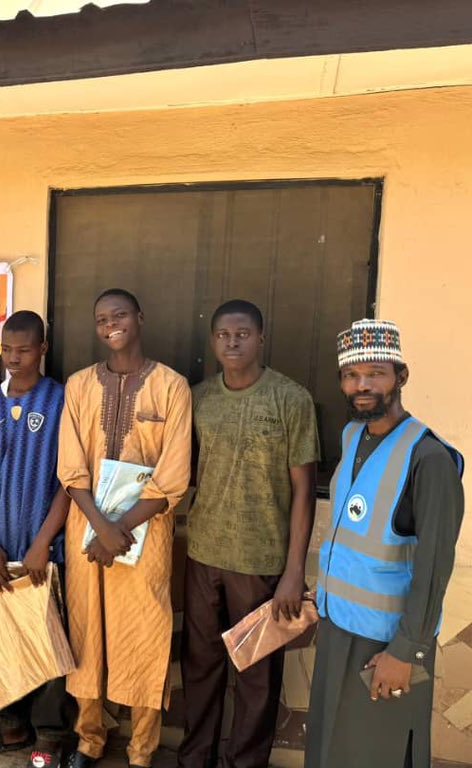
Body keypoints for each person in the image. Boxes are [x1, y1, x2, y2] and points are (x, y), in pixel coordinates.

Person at [305, 319, 464, 768]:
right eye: (352, 375)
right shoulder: (353, 436)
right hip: (339, 628)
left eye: (375, 373)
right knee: (328, 749)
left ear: (401, 376)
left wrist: (405, 652)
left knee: (376, 753)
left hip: (385, 646)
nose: (363, 385)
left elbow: (434, 568)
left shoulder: (429, 459)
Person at [179, 300, 319, 768]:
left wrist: (293, 573)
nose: (232, 342)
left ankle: (246, 762)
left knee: (257, 675)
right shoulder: (200, 398)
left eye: (242, 334)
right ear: (213, 341)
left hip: (262, 563)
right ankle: (194, 758)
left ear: (260, 338)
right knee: (200, 667)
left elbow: (304, 491)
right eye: (223, 334)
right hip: (203, 554)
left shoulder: (290, 398)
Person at [58, 289, 191, 768]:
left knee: (145, 635)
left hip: (146, 532)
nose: (110, 324)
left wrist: (121, 529)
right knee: (86, 630)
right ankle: (89, 738)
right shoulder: (78, 386)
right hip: (87, 531)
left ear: (140, 317)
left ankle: (141, 750)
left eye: (119, 315)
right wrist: (101, 528)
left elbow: (173, 476)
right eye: (101, 318)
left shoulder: (172, 387)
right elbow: (71, 467)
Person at [0, 311, 71, 766]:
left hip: (42, 545)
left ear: (42, 349)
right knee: (1, 635)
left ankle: (48, 733)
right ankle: (9, 724)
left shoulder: (62, 401)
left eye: (24, 349)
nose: (13, 358)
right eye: (7, 349)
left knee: (46, 636)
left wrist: (44, 540)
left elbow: (71, 480)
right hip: (0, 544)